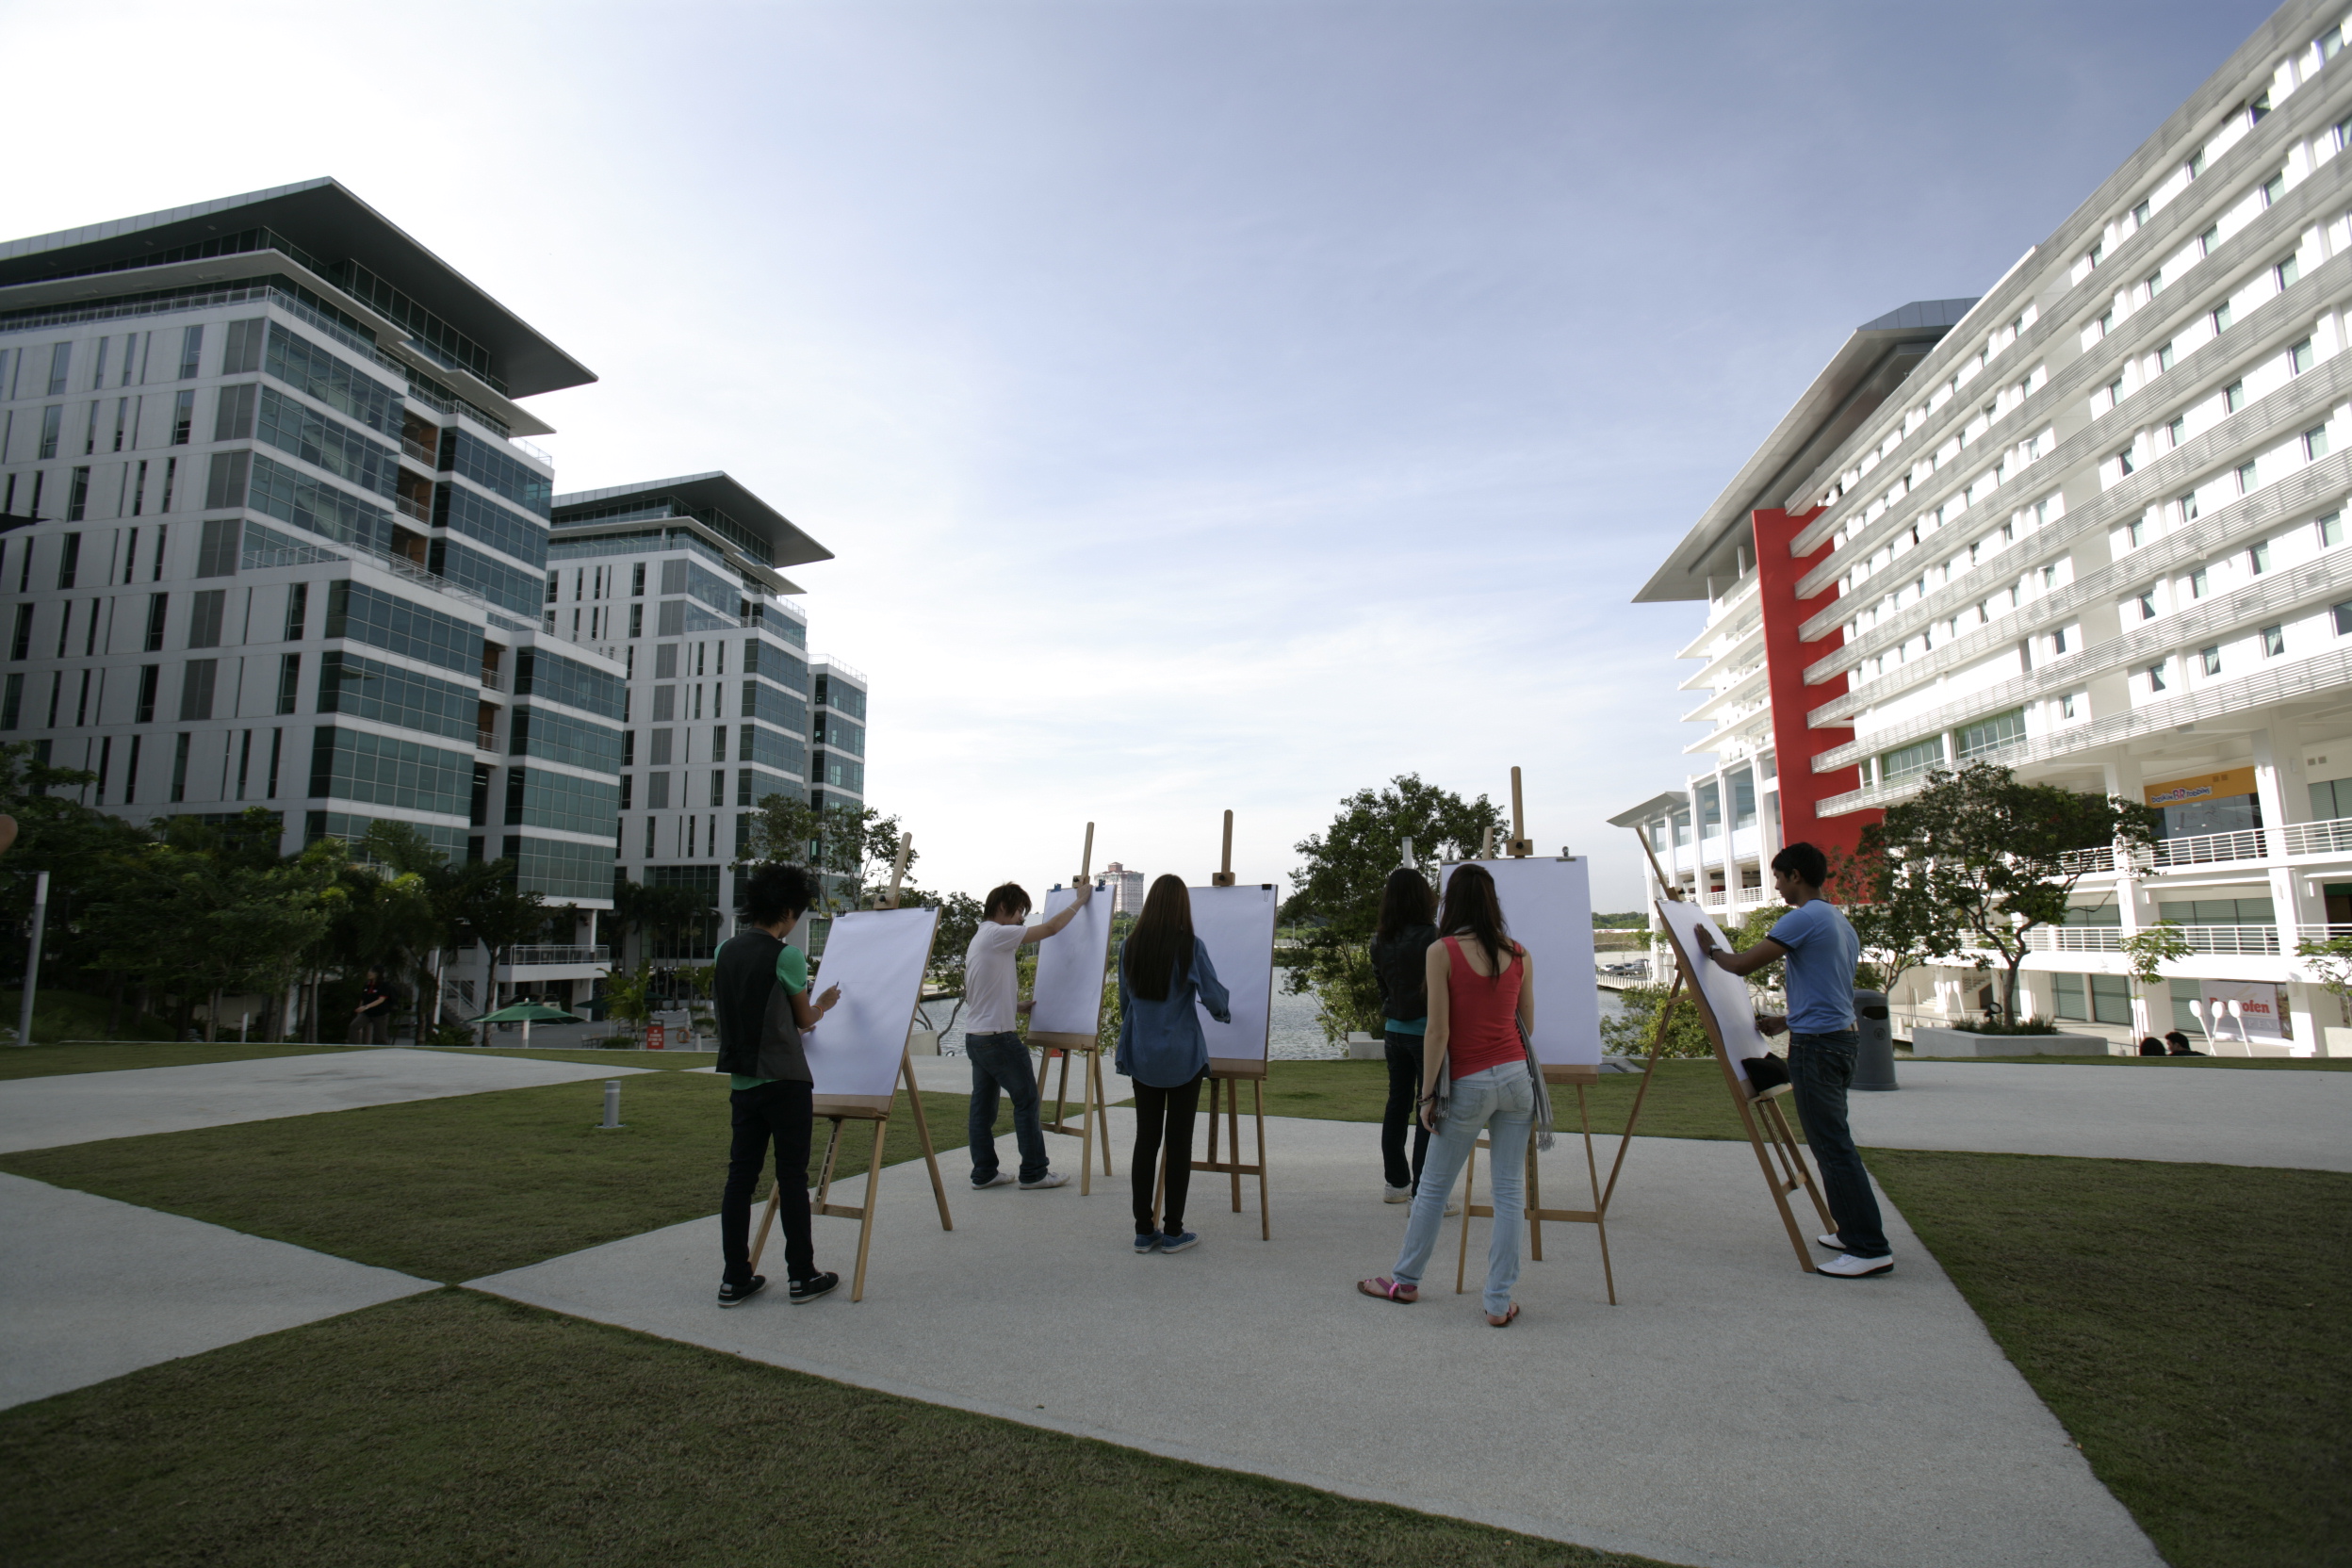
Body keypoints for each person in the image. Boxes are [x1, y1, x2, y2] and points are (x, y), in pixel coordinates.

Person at [1694, 842, 1890, 1280]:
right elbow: (1830, 985)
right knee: (1832, 1143)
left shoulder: (1803, 917)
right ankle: (1853, 1232)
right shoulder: (1838, 919)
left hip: (1819, 1047)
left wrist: (1710, 951)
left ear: (1797, 876)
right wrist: (1786, 1019)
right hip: (1839, 1039)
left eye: (1780, 878)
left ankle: (1869, 1247)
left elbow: (1742, 965)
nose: (1778, 887)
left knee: (1832, 1147)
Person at [1357, 863, 1541, 1325]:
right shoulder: (1518, 953)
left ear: (1450, 903)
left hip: (1470, 1083)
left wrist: (1427, 1095)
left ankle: (1405, 1280)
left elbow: (1437, 1031)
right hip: (1518, 1080)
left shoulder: (1442, 951)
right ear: (1492, 903)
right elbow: (1528, 1026)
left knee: (1434, 1187)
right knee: (1510, 1192)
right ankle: (1498, 1301)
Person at [712, 863, 842, 1309]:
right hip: (784, 1080)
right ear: (786, 911)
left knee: (739, 1180)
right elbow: (804, 1020)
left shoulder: (725, 951)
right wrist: (823, 1004)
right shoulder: (784, 955)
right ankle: (802, 1276)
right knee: (791, 1179)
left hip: (742, 1081)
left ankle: (735, 1278)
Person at [1115, 874, 1230, 1254]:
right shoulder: (1189, 947)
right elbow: (1214, 999)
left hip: (1142, 1054)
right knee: (1178, 1143)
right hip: (1182, 1057)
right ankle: (1174, 1230)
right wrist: (1225, 1013)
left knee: (1145, 1140)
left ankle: (1143, 1231)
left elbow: (1124, 1002)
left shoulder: (1129, 946)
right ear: (1182, 906)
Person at [963, 879, 1093, 1191]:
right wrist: (1080, 901)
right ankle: (1034, 1171)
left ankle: (984, 1172)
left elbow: (979, 992)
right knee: (1027, 1101)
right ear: (1003, 907)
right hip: (998, 1039)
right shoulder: (998, 933)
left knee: (982, 1109)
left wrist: (1014, 1005)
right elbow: (1049, 930)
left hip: (976, 1036)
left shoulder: (980, 937)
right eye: (1020, 910)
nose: (1022, 918)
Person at [1369, 867, 1440, 1204]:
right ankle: (1423, 1191)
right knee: (1428, 1105)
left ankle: (1396, 1184)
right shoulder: (1434, 937)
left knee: (1397, 1104)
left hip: (1393, 1031)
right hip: (1426, 1032)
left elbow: (1383, 988)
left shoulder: (1379, 940)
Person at [349, 970, 392, 1045]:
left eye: (372, 972)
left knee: (380, 1036)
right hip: (366, 1013)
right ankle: (354, 1045)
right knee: (354, 1026)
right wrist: (360, 1009)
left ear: (378, 974)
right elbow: (363, 999)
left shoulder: (384, 985)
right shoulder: (367, 985)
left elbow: (381, 1000)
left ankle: (383, 1051)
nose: (369, 973)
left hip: (380, 1014)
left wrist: (366, 1007)